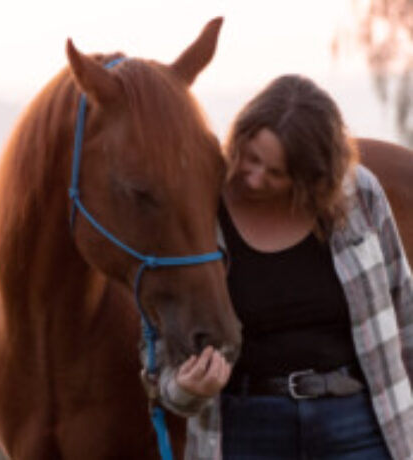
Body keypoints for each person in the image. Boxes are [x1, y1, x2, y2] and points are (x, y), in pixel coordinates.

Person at [147, 74, 413, 459]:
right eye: (250, 157)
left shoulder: (361, 196)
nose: (253, 178)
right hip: (245, 429)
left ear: (313, 177)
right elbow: (158, 344)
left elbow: (405, 307)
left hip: (359, 423)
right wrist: (185, 389)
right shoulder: (202, 212)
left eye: (276, 173)